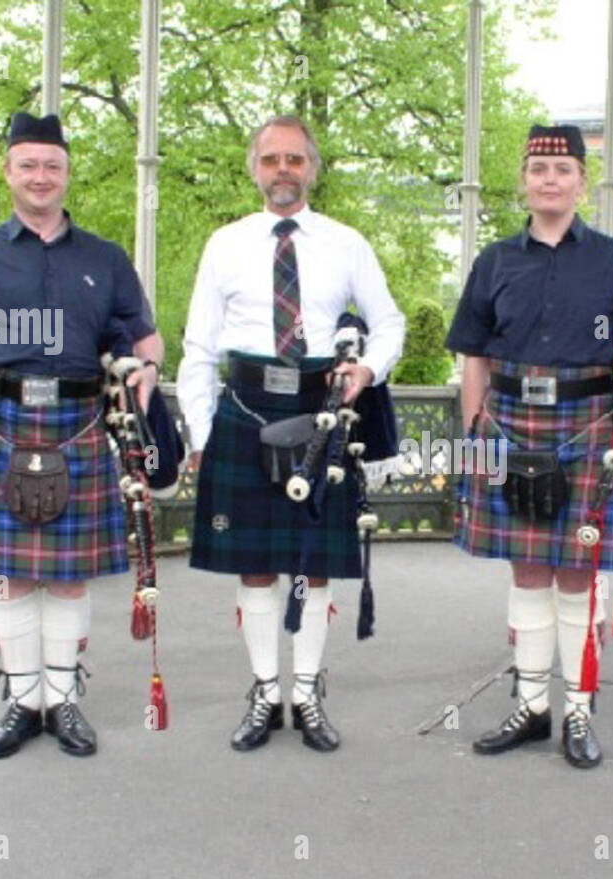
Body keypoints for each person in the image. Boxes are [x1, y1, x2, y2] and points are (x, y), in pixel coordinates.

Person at [446, 124, 613, 769]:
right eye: (538, 171)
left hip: (588, 422)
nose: (550, 181)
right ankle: (530, 707)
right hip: (509, 420)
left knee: (576, 571)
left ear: (581, 181)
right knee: (526, 571)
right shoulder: (495, 260)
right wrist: (475, 435)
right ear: (525, 180)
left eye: (563, 171)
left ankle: (576, 708)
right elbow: (474, 355)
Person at [0, 111, 163, 759]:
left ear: (67, 175)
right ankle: (23, 702)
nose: (41, 176)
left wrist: (149, 364)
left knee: (67, 578)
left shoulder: (105, 258)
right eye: (28, 165)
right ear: (8, 172)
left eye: (52, 166)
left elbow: (144, 338)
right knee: (8, 576)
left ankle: (62, 701)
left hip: (79, 421)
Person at [177, 115, 404, 753]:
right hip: (243, 408)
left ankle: (305, 691)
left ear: (312, 168)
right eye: (272, 159)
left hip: (321, 408)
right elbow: (197, 347)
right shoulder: (224, 243)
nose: (283, 170)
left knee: (312, 561)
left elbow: (389, 322)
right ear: (255, 168)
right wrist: (200, 435)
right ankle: (265, 691)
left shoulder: (346, 243)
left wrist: (367, 367)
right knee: (254, 565)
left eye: (295, 160)